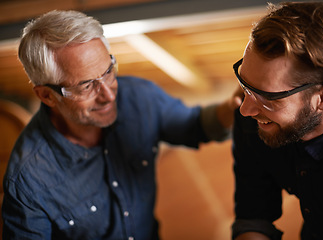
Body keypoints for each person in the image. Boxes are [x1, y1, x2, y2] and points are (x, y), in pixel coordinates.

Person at [2, 10, 241, 240]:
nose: (108, 94)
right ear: (46, 96)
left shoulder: (139, 97)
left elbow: (194, 125)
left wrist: (232, 107)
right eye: (86, 86)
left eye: (108, 71)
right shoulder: (28, 179)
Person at [231, 2, 323, 240]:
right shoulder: (255, 122)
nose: (245, 110)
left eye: (268, 98)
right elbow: (254, 214)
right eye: (245, 86)